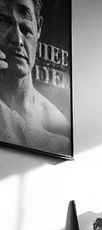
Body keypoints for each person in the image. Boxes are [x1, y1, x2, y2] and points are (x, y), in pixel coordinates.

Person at [0, 0, 70, 155]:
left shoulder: (58, 125)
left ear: (38, 28)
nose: (18, 40)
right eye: (4, 22)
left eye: (25, 28)